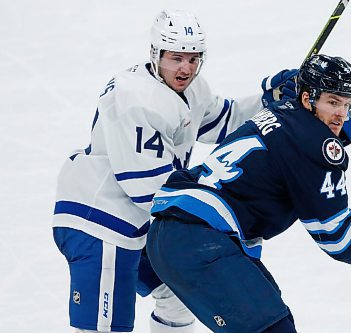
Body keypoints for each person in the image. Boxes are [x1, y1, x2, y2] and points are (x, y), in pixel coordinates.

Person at [52, 9, 300, 333]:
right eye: (176, 58)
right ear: (156, 54)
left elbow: (225, 121)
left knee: (180, 296)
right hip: (100, 222)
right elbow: (150, 191)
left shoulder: (190, 90)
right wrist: (224, 206)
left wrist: (273, 101)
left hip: (139, 226)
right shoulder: (135, 99)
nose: (185, 68)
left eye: (193, 58)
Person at [146, 54, 351, 333]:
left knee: (274, 322)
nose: (341, 114)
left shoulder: (281, 109)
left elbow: (295, 150)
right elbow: (335, 235)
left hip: (174, 235)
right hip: (201, 243)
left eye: (346, 104)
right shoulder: (314, 145)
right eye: (332, 102)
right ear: (307, 98)